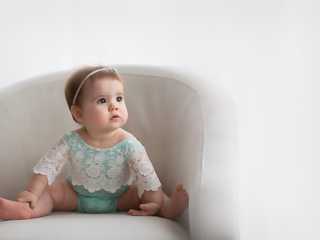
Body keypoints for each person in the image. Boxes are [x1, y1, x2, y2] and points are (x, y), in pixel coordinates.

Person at [0, 65, 189, 221]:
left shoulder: (129, 143)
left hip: (121, 196)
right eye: (101, 100)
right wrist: (32, 192)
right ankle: (27, 210)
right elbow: (46, 167)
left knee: (142, 191)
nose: (114, 105)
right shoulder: (70, 140)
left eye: (119, 98)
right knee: (52, 190)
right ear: (79, 114)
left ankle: (166, 208)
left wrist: (154, 201)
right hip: (76, 195)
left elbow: (146, 175)